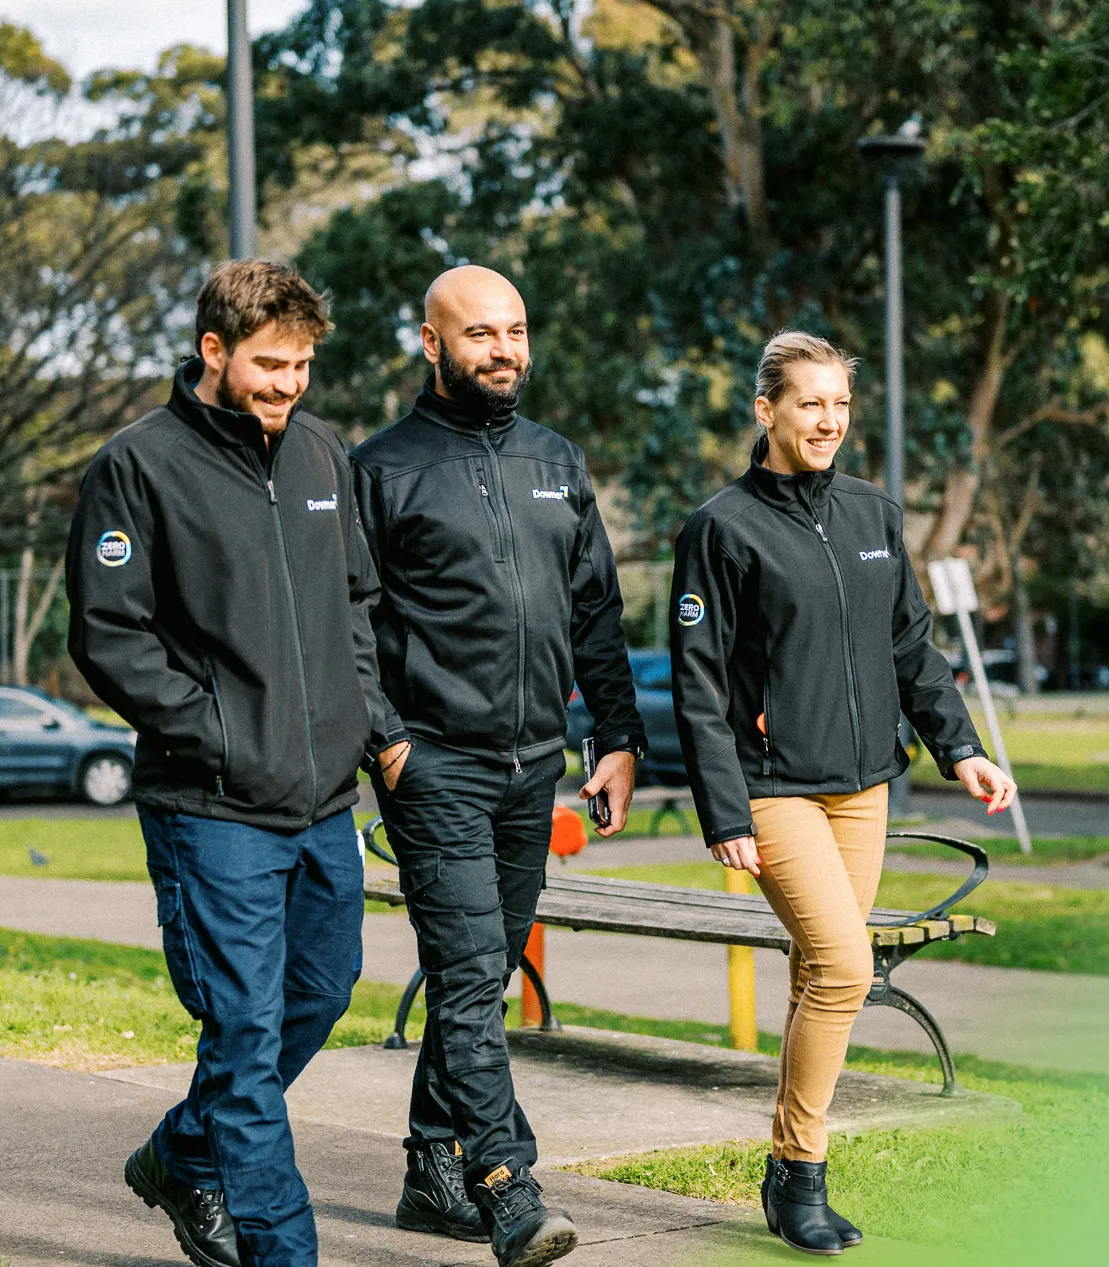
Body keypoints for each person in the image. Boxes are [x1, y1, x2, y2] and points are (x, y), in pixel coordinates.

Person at [67, 260, 407, 1267]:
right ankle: (281, 1252)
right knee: (247, 1039)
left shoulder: (319, 455)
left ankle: (180, 1151)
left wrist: (363, 723)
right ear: (212, 350)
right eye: (268, 363)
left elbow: (355, 604)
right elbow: (110, 636)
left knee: (325, 986)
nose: (286, 383)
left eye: (300, 364)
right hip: (208, 803)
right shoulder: (137, 465)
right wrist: (214, 730)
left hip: (320, 803)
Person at [670, 331, 1017, 1256]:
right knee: (846, 966)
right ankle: (800, 1171)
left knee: (817, 977)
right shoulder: (722, 527)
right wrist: (724, 810)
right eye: (809, 403)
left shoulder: (873, 515)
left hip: (865, 785)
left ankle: (787, 1176)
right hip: (773, 785)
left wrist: (962, 748)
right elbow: (697, 682)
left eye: (840, 405)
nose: (828, 420)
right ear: (766, 410)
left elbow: (911, 648)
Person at [351, 265, 647, 1267]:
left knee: (480, 968)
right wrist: (388, 742)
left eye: (515, 330)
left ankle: (428, 1168)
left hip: (533, 766)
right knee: (473, 976)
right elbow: (345, 622)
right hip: (433, 765)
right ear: (428, 343)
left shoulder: (557, 461)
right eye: (479, 333)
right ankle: (501, 1182)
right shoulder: (381, 469)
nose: (503, 350)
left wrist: (615, 740)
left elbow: (595, 612)